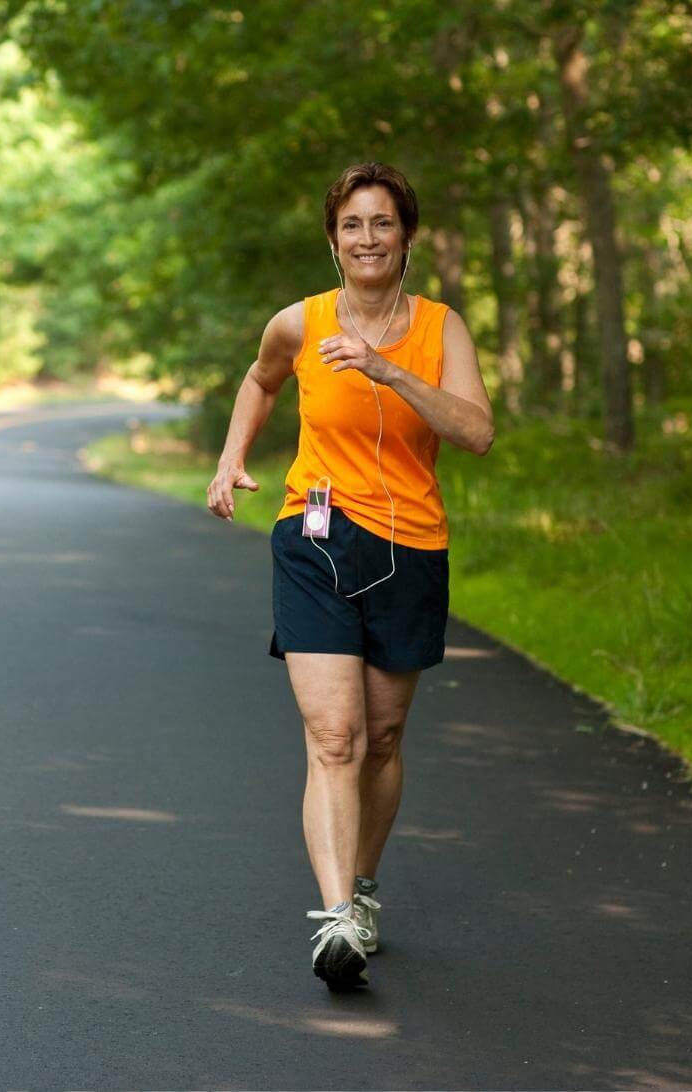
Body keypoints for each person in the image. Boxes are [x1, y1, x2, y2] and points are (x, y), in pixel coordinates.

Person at [206, 162, 495, 991]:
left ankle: (363, 891)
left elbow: (476, 433)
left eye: (382, 224)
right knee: (336, 736)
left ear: (407, 236)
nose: (367, 240)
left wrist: (388, 369)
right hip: (316, 536)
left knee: (384, 738)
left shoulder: (442, 329)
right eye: (351, 226)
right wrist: (232, 458)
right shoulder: (299, 323)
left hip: (410, 548)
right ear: (332, 241)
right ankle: (336, 920)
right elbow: (260, 382)